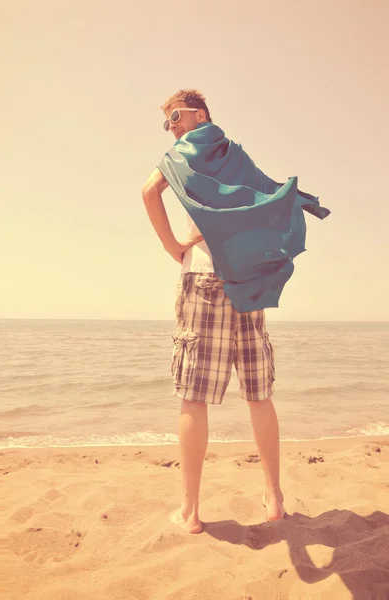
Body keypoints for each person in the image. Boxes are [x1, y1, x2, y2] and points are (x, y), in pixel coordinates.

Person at [142, 89, 285, 534]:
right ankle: (274, 497)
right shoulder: (235, 157)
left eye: (177, 117)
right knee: (258, 393)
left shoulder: (184, 153)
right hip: (243, 279)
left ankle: (190, 511)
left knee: (193, 396)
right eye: (167, 123)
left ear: (200, 114)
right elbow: (270, 202)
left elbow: (148, 192)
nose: (173, 127)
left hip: (204, 276)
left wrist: (172, 247)